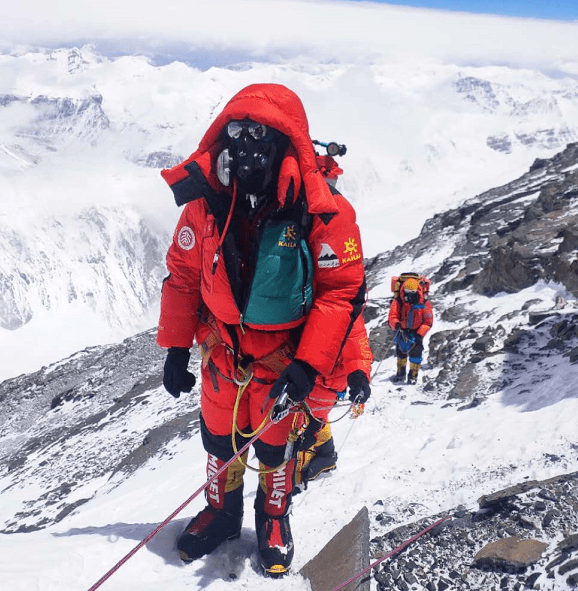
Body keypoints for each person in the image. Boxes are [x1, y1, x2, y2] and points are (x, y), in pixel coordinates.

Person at [156, 83, 369, 576]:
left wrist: (309, 363)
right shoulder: (205, 200)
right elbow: (185, 273)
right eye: (236, 131)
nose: (246, 145)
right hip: (221, 351)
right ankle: (221, 512)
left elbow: (341, 291)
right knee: (218, 439)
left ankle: (273, 516)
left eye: (259, 134)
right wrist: (175, 348)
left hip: (282, 358)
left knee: (275, 446)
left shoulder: (322, 209)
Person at [292, 314, 372, 493]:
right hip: (313, 376)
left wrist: (359, 377)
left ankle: (296, 479)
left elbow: (355, 344)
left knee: (301, 428)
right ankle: (326, 455)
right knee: (313, 418)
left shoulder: (346, 308)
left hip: (323, 379)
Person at [388, 275, 433, 384]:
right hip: (401, 330)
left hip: (416, 331)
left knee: (416, 354)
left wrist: (420, 334)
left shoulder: (424, 303)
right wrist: (396, 324)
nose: (409, 295)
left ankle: (413, 376)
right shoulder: (398, 301)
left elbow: (428, 321)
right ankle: (400, 374)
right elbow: (392, 316)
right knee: (400, 352)